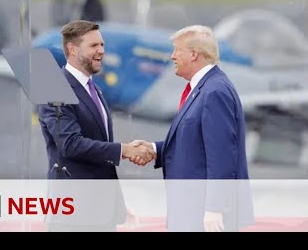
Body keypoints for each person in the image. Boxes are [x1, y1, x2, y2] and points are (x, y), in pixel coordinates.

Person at [131, 25, 254, 232]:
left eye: (177, 50)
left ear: (194, 54)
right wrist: (154, 149)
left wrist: (214, 209)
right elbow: (195, 144)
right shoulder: (202, 88)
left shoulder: (214, 92)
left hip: (203, 216)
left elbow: (222, 155)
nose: (172, 57)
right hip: (192, 211)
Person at [38, 20, 154, 231]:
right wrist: (124, 150)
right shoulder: (55, 90)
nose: (101, 51)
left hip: (99, 213)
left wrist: (116, 204)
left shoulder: (95, 90)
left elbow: (100, 157)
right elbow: (71, 145)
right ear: (72, 49)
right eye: (93, 46)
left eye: (102, 45)